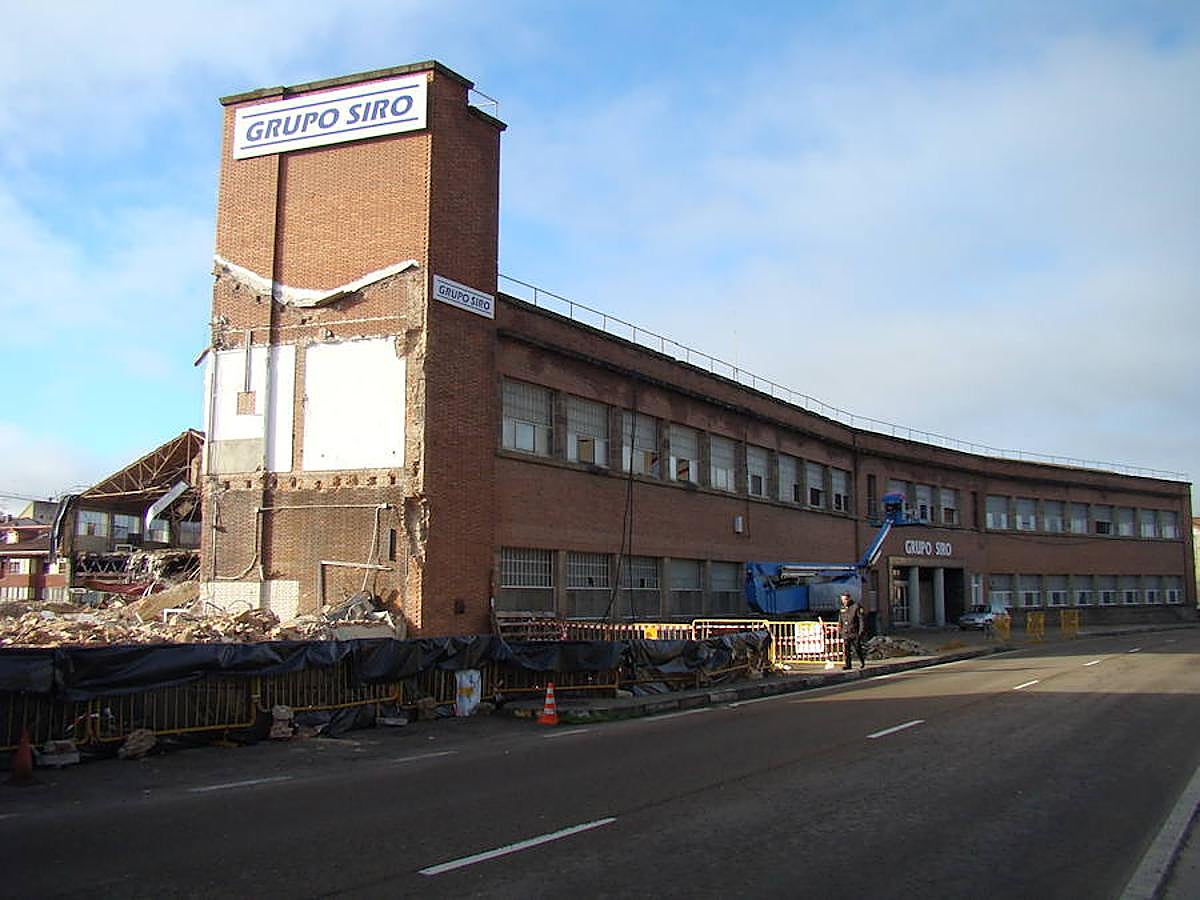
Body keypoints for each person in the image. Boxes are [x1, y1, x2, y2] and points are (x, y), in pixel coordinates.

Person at [838, 592, 867, 670]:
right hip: (846, 632)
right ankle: (848, 665)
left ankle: (862, 661)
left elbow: (861, 620)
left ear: (849, 599)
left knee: (857, 648)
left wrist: (861, 631)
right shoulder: (842, 608)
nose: (844, 601)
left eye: (846, 599)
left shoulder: (856, 606)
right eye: (843, 600)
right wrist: (840, 630)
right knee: (846, 650)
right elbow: (840, 621)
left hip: (854, 632)